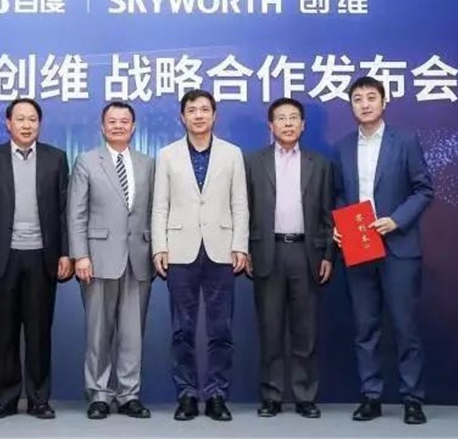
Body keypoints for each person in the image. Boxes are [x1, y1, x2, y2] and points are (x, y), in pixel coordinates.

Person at [332, 76, 434, 425]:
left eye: (371, 97)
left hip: (398, 247)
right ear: (351, 106)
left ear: (384, 101)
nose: (364, 104)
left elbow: (423, 189)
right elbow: (339, 193)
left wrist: (396, 220)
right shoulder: (343, 147)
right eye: (357, 99)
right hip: (358, 246)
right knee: (365, 328)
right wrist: (339, 225)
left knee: (405, 327)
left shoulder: (405, 141)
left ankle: (412, 399)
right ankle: (371, 396)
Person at [0, 98, 72, 420]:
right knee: (5, 331)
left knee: (39, 332)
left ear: (39, 124)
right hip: (3, 258)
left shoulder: (56, 158)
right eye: (20, 119)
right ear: (8, 123)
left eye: (32, 119)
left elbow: (64, 211)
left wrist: (65, 252)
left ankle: (39, 399)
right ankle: (5, 399)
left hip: (43, 257)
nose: (26, 125)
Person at [151, 89, 249, 422]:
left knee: (221, 329)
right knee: (182, 330)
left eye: (205, 109)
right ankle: (188, 395)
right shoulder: (167, 155)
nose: (198, 115)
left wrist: (240, 244)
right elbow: (160, 205)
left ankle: (217, 394)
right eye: (192, 110)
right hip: (180, 250)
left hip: (222, 249)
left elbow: (240, 204)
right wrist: (160, 247)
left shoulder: (232, 154)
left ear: (214, 115)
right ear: (182, 117)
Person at [244, 98, 333, 419]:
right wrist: (244, 249)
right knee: (270, 329)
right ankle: (271, 395)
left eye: (294, 117)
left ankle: (304, 395)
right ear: (271, 125)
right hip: (267, 251)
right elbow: (244, 210)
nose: (288, 123)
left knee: (304, 330)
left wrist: (328, 254)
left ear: (303, 125)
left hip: (306, 252)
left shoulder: (319, 163)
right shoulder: (253, 162)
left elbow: (328, 213)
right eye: (281, 118)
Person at [67, 101, 155, 420]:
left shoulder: (148, 164)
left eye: (124, 121)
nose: (118, 126)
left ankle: (129, 394)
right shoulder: (87, 161)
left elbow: (154, 211)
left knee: (133, 333)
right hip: (98, 258)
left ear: (134, 127)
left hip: (138, 258)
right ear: (103, 127)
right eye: (112, 121)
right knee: (98, 331)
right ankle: (99, 394)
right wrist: (80, 255)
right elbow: (76, 212)